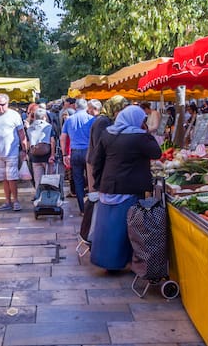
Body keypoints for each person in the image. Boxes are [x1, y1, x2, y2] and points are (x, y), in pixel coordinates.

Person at [89, 105, 161, 272]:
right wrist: (147, 132)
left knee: (108, 227)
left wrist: (98, 183)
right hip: (130, 188)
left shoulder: (108, 134)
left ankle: (106, 261)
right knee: (126, 228)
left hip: (109, 186)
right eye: (142, 120)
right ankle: (125, 261)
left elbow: (97, 161)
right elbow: (156, 153)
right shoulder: (139, 137)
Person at [0, 93, 28, 211]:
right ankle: (7, 201)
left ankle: (16, 200)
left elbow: (21, 133)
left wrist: (24, 149)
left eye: (2, 105)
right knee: (4, 178)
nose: (0, 107)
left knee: (12, 178)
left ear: (7, 104)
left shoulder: (14, 116)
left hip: (12, 152)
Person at [60, 98, 94, 213]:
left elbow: (63, 138)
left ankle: (82, 208)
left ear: (75, 107)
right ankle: (92, 206)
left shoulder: (69, 120)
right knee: (91, 179)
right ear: (86, 108)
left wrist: (64, 154)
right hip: (89, 151)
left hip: (75, 152)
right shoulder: (91, 119)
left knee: (78, 180)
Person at [26, 107, 57, 191]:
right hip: (47, 156)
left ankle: (39, 197)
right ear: (44, 117)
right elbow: (52, 141)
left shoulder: (30, 128)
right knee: (50, 180)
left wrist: (27, 154)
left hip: (35, 157)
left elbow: (28, 143)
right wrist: (52, 155)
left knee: (38, 180)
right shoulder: (49, 126)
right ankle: (49, 197)